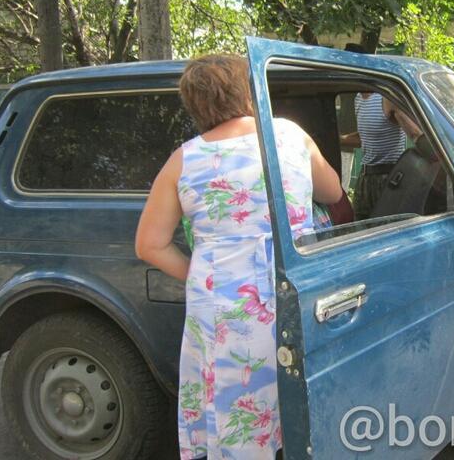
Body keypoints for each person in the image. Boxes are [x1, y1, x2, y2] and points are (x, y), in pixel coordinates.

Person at [135, 54, 342, 460]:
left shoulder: (185, 159)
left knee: (235, 411)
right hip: (294, 295)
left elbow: (149, 244)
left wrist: (204, 276)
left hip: (224, 314)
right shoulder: (290, 136)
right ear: (247, 91)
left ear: (195, 104)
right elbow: (333, 192)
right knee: (299, 394)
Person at [340, 91, 423, 220]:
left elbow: (415, 134)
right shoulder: (358, 99)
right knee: (360, 228)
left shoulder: (387, 99)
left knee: (388, 228)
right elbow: (366, 137)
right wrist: (337, 139)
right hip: (365, 178)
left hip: (389, 178)